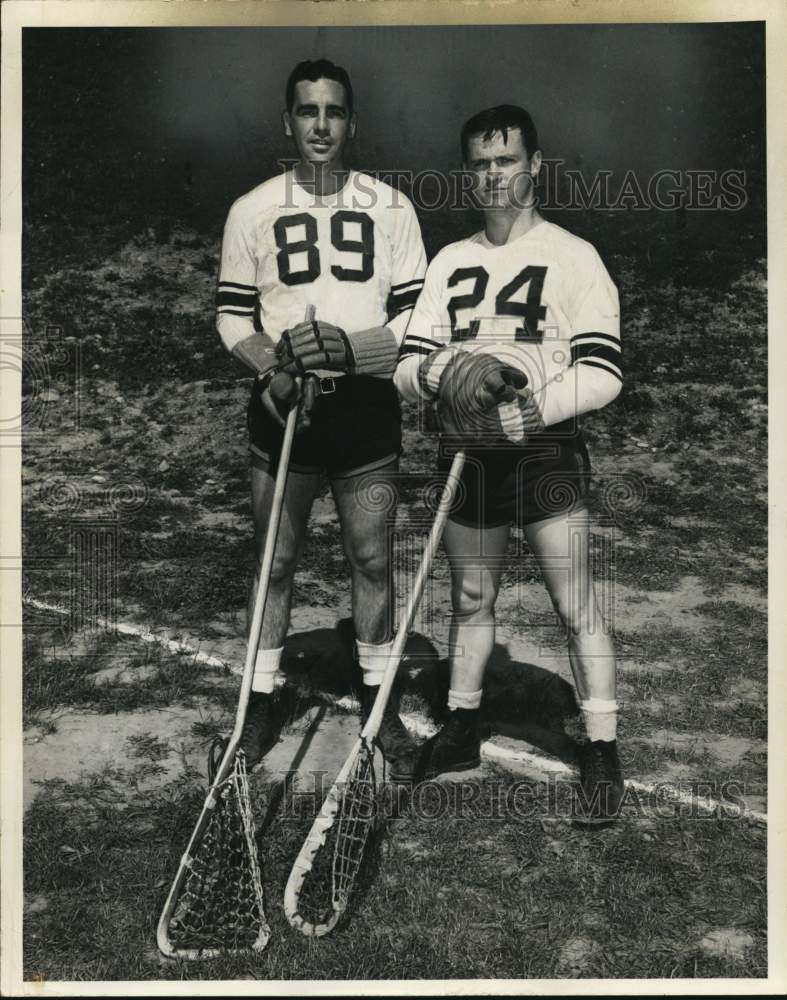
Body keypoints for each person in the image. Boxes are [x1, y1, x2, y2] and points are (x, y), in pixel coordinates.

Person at [394, 105, 624, 822]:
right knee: (470, 599)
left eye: (506, 160)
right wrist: (440, 378)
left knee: (574, 601)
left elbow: (605, 370)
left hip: (544, 452)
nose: (494, 175)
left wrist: (534, 408)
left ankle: (600, 745)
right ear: (469, 173)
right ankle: (461, 723)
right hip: (468, 453)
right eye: (481, 163)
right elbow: (405, 364)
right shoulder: (451, 261)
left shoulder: (573, 255)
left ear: (534, 165)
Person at [215, 59, 426, 780]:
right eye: (307, 112)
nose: (320, 126)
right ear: (287, 121)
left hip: (364, 411)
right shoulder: (251, 209)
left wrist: (350, 349)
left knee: (371, 558)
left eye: (333, 112)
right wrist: (269, 369)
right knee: (274, 563)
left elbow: (416, 317)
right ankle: (259, 707)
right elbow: (231, 313)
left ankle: (378, 703)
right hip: (284, 412)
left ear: (352, 122)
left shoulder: (393, 207)